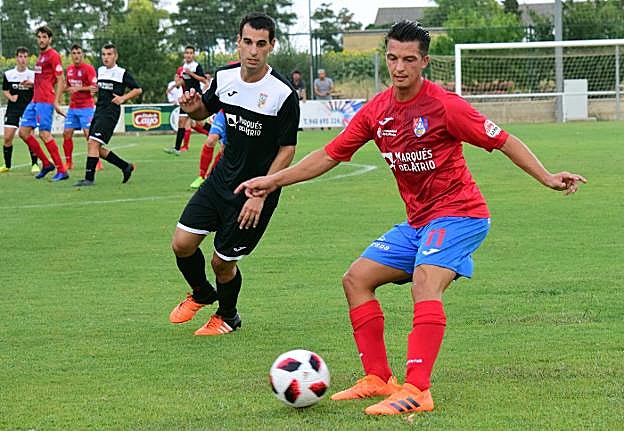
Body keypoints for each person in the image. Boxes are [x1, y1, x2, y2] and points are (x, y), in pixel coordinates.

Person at [236, 20, 586, 416]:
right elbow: (328, 155)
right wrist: (273, 180)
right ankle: (377, 378)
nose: (399, 67)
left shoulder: (446, 106)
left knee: (425, 282)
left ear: (424, 62)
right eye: (392, 58)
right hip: (419, 222)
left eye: (408, 59)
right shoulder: (377, 110)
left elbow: (503, 140)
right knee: (356, 279)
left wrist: (547, 177)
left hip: (460, 214)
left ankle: (418, 390)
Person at [168, 12, 300, 336]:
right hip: (220, 179)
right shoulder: (225, 76)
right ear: (238, 42)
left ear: (272, 46)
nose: (253, 51)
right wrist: (193, 109)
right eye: (248, 42)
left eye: (261, 44)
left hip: (254, 191)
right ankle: (202, 293)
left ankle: (228, 316)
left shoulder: (282, 93)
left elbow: (287, 149)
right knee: (182, 244)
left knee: (222, 263)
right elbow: (205, 109)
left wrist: (261, 192)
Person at [73, 43, 142, 187]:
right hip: (99, 110)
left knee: (93, 143)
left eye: (109, 54)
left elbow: (138, 89)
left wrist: (123, 98)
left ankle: (89, 179)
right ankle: (125, 166)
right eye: (103, 54)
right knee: (95, 147)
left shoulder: (121, 72)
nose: (106, 57)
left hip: (110, 112)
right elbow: (100, 88)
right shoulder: (101, 70)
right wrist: (95, 90)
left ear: (115, 56)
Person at [18, 25, 69, 181]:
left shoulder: (53, 55)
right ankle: (46, 164)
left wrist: (56, 101)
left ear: (50, 39)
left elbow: (61, 80)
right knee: (23, 132)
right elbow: (45, 78)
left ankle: (62, 170)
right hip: (35, 99)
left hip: (45, 100)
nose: (41, 40)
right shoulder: (41, 56)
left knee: (44, 133)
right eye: (39, 37)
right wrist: (32, 83)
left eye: (44, 37)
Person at [1, 47, 38, 174]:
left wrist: (32, 85)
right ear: (16, 58)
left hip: (29, 110)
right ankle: (7, 165)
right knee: (7, 138)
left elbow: (39, 89)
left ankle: (35, 164)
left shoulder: (33, 75)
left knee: (30, 136)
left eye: (25, 57)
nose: (23, 59)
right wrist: (11, 97)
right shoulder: (9, 74)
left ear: (28, 59)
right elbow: (5, 90)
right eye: (20, 56)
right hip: (13, 110)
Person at [164, 46, 207, 155]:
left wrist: (191, 74)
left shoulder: (196, 66)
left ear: (193, 55)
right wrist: (173, 87)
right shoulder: (183, 67)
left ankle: (219, 136)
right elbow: (183, 82)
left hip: (195, 97)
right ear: (184, 55)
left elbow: (203, 79)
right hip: (186, 98)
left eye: (191, 53)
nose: (188, 55)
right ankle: (177, 148)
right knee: (181, 121)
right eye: (187, 53)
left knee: (199, 123)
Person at [62, 44, 97, 171]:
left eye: (78, 53)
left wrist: (79, 88)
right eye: (74, 53)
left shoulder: (89, 69)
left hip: (86, 107)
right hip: (73, 107)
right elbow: (67, 86)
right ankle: (69, 162)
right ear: (71, 55)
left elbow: (94, 87)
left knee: (89, 135)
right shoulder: (69, 69)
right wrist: (60, 90)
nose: (76, 55)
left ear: (82, 54)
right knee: (66, 133)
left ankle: (96, 162)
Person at [189, 109, 227, 190]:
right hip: (223, 112)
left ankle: (210, 176)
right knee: (211, 140)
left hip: (238, 113)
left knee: (224, 149)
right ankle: (201, 176)